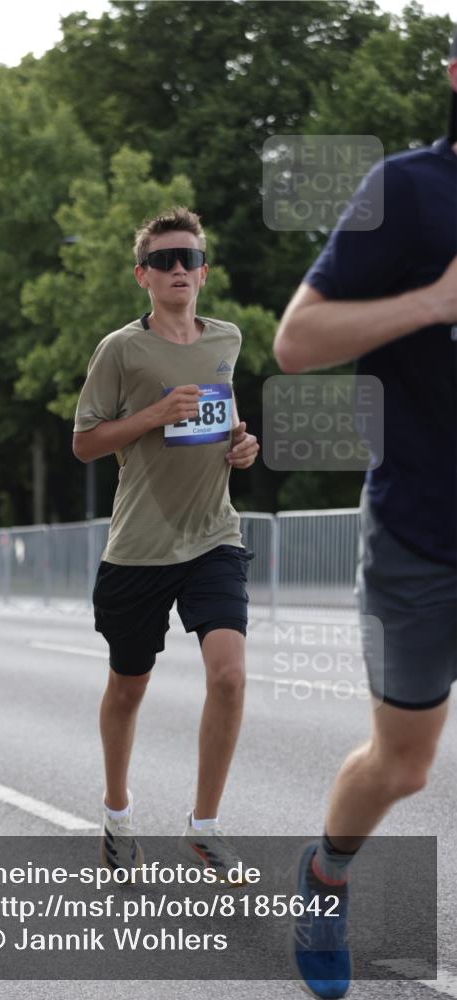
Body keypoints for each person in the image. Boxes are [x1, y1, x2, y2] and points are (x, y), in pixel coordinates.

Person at [274, 29, 457, 1000]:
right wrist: (432, 301)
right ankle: (327, 870)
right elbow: (297, 341)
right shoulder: (407, 190)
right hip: (422, 535)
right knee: (402, 765)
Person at [72, 206, 260, 882]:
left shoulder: (227, 338)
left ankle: (204, 828)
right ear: (142, 275)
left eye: (189, 258)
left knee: (229, 676)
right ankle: (117, 817)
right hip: (139, 549)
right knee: (127, 689)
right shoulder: (120, 350)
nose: (178, 268)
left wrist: (241, 445)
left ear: (204, 271)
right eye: (163, 260)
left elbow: (223, 418)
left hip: (213, 536)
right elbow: (84, 442)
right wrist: (153, 414)